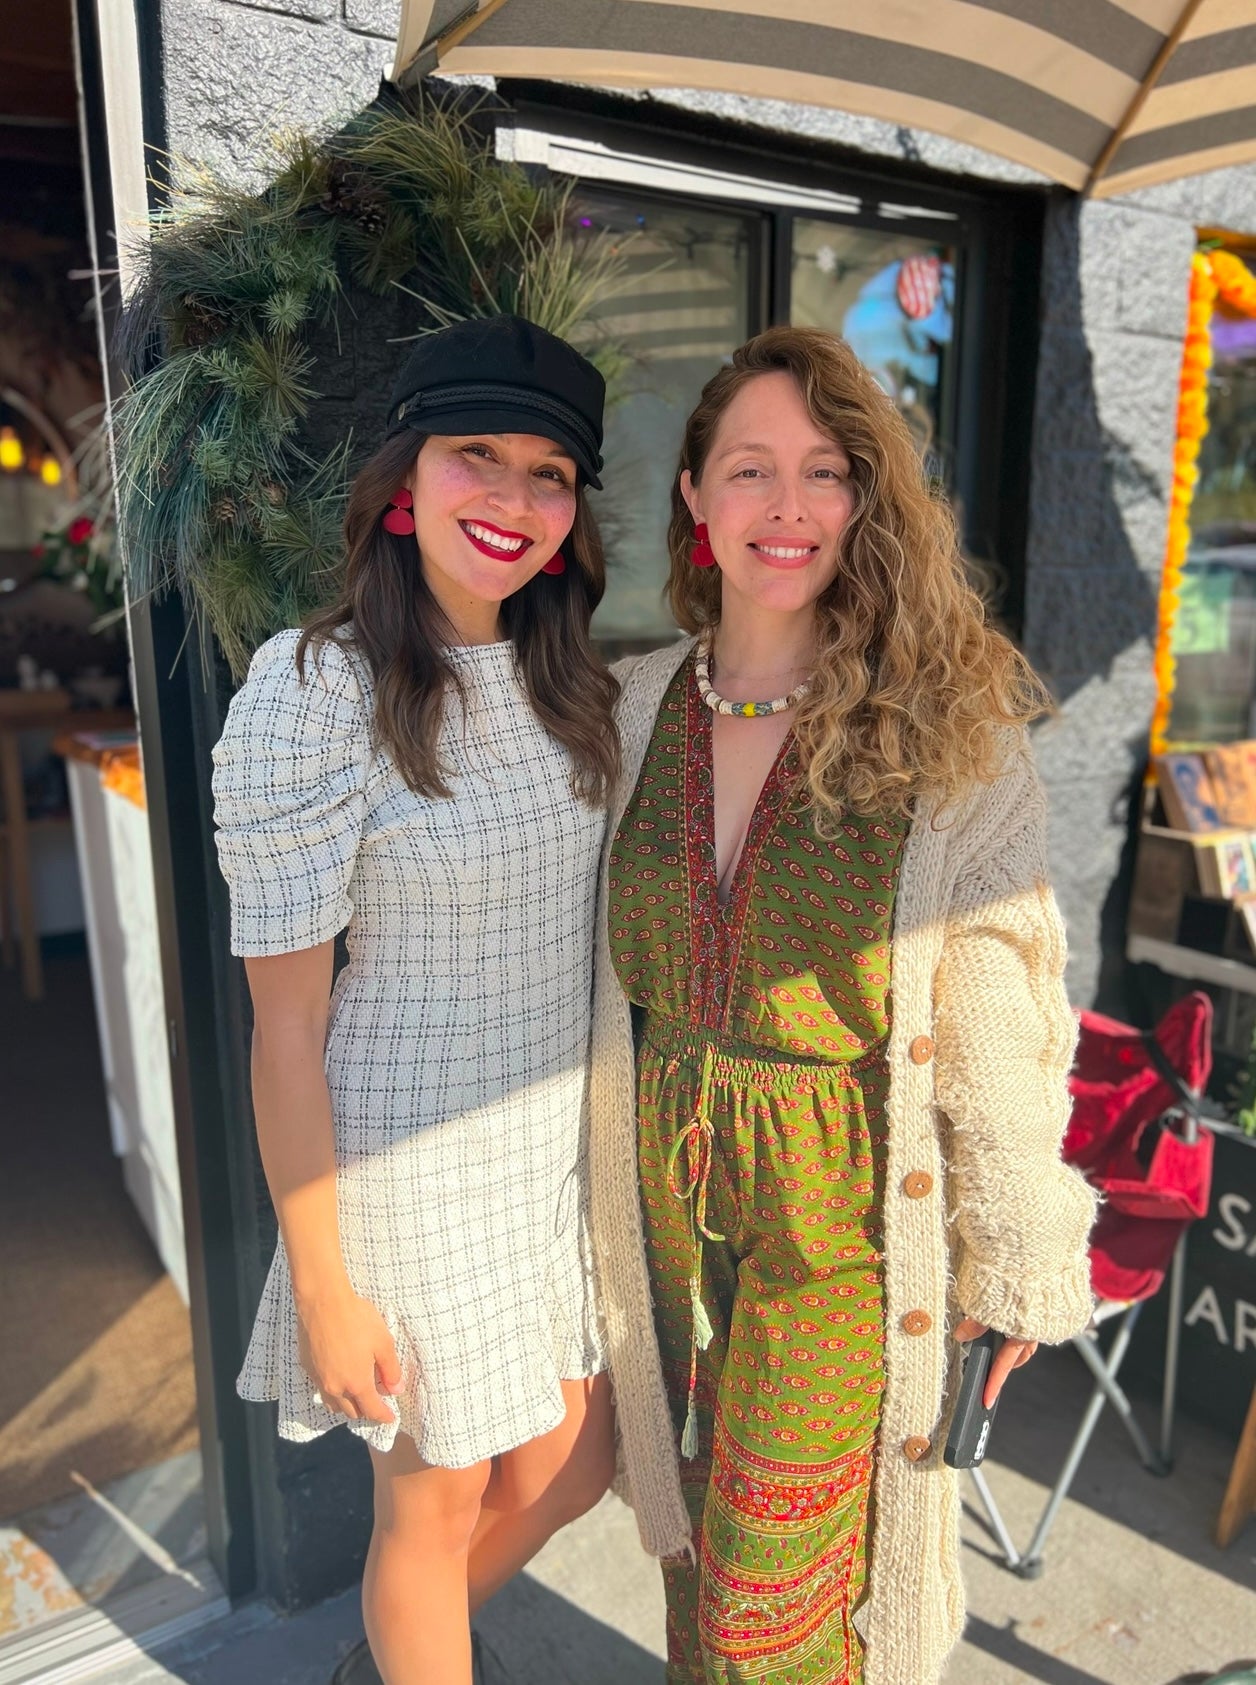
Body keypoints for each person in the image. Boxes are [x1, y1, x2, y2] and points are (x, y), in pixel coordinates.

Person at [589, 325, 1097, 1685]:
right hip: (664, 1213)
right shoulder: (633, 705)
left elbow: (995, 992)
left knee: (779, 1613)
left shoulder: (949, 728)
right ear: (695, 494)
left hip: (838, 1225)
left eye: (824, 470)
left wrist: (1017, 1241)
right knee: (696, 1561)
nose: (789, 504)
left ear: (864, 498)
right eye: (750, 468)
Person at [211, 316, 619, 1685]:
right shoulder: (317, 692)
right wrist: (324, 1285)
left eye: (550, 473)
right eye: (478, 457)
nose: (512, 499)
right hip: (404, 1167)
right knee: (428, 1505)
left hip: (540, 1158)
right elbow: (284, 1024)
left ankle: (401, 1652)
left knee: (579, 1451)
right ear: (405, 478)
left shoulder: (570, 682)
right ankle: (419, 1649)